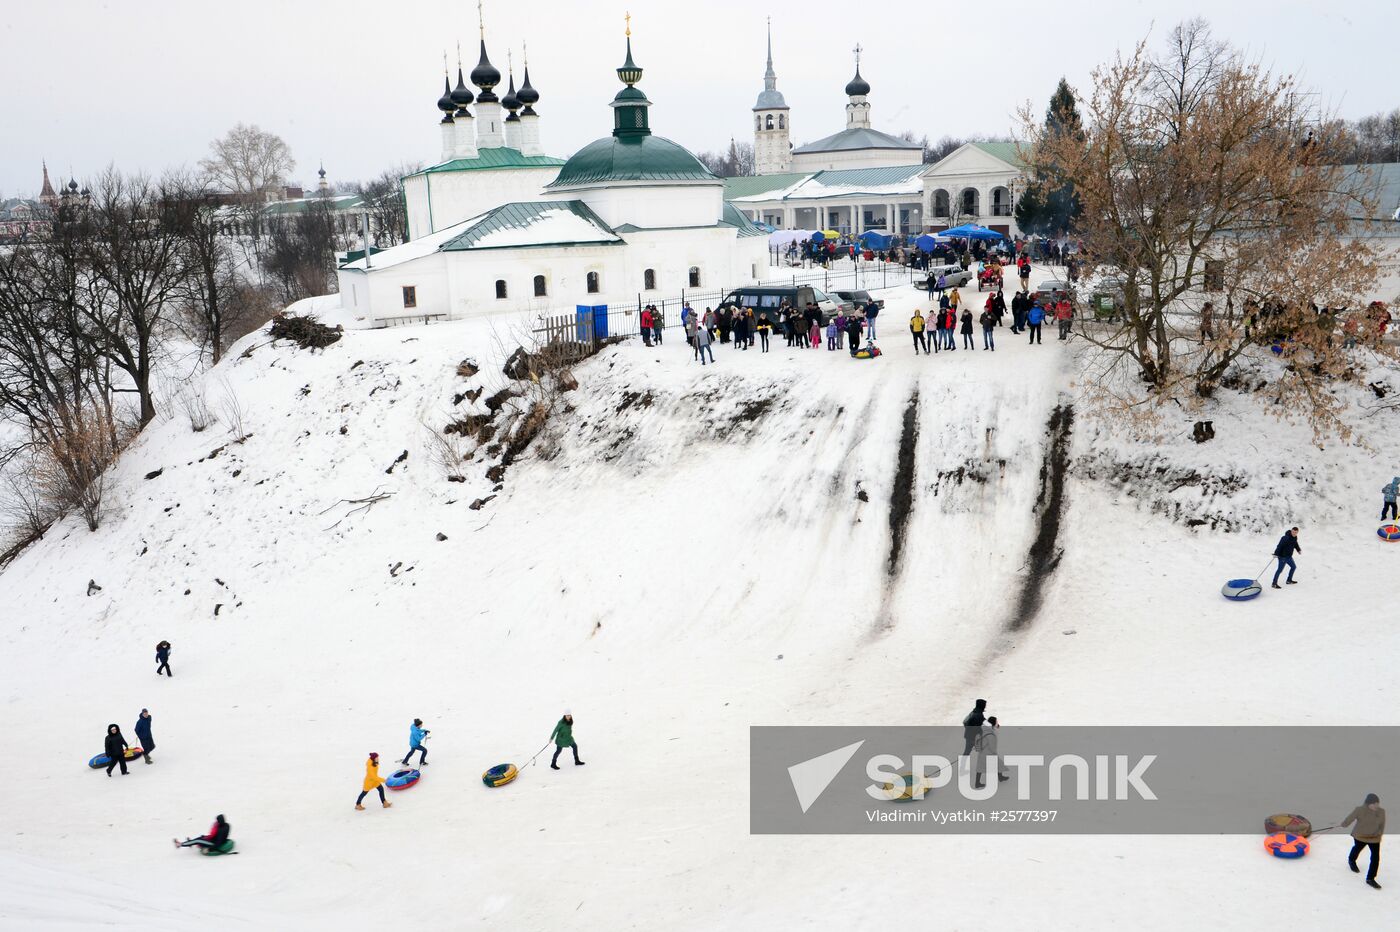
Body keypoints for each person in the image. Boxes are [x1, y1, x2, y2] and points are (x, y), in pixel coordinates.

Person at [1342, 793, 1385, 888]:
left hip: (1374, 838)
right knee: (1357, 848)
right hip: (1360, 836)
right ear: (1368, 804)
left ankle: (1370, 878)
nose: (1376, 806)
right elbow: (1350, 819)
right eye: (1374, 804)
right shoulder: (1359, 810)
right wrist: (1344, 824)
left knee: (1375, 858)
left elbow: (1382, 825)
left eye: (1377, 803)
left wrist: (1379, 834)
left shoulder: (1381, 812)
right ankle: (1351, 860)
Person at [973, 716, 1009, 789]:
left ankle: (977, 783)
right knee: (999, 764)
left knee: (980, 768)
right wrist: (994, 753)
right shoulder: (990, 734)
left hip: (982, 752)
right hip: (989, 753)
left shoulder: (982, 729)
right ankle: (1000, 777)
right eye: (996, 722)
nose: (997, 723)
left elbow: (977, 738)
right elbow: (992, 746)